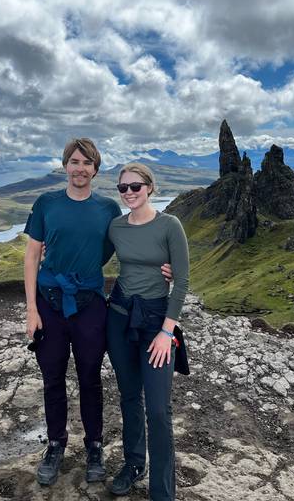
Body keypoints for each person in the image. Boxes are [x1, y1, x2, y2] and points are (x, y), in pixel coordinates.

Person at [23, 139, 173, 487]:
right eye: (74, 161)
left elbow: (126, 244)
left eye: (87, 163)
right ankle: (56, 445)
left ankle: (94, 447)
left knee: (90, 377)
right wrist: (32, 309)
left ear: (95, 168)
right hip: (49, 302)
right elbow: (31, 257)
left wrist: (166, 269)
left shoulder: (107, 209)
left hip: (90, 304)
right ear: (65, 166)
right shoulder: (46, 203)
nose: (80, 168)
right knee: (52, 378)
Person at [106, 162, 189, 501]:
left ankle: (163, 493)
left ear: (150, 187)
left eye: (135, 186)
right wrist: (52, 253)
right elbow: (89, 257)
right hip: (120, 314)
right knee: (128, 396)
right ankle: (133, 464)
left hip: (156, 320)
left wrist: (166, 332)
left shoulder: (170, 225)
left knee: (158, 408)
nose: (129, 193)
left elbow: (181, 280)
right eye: (123, 188)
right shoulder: (115, 226)